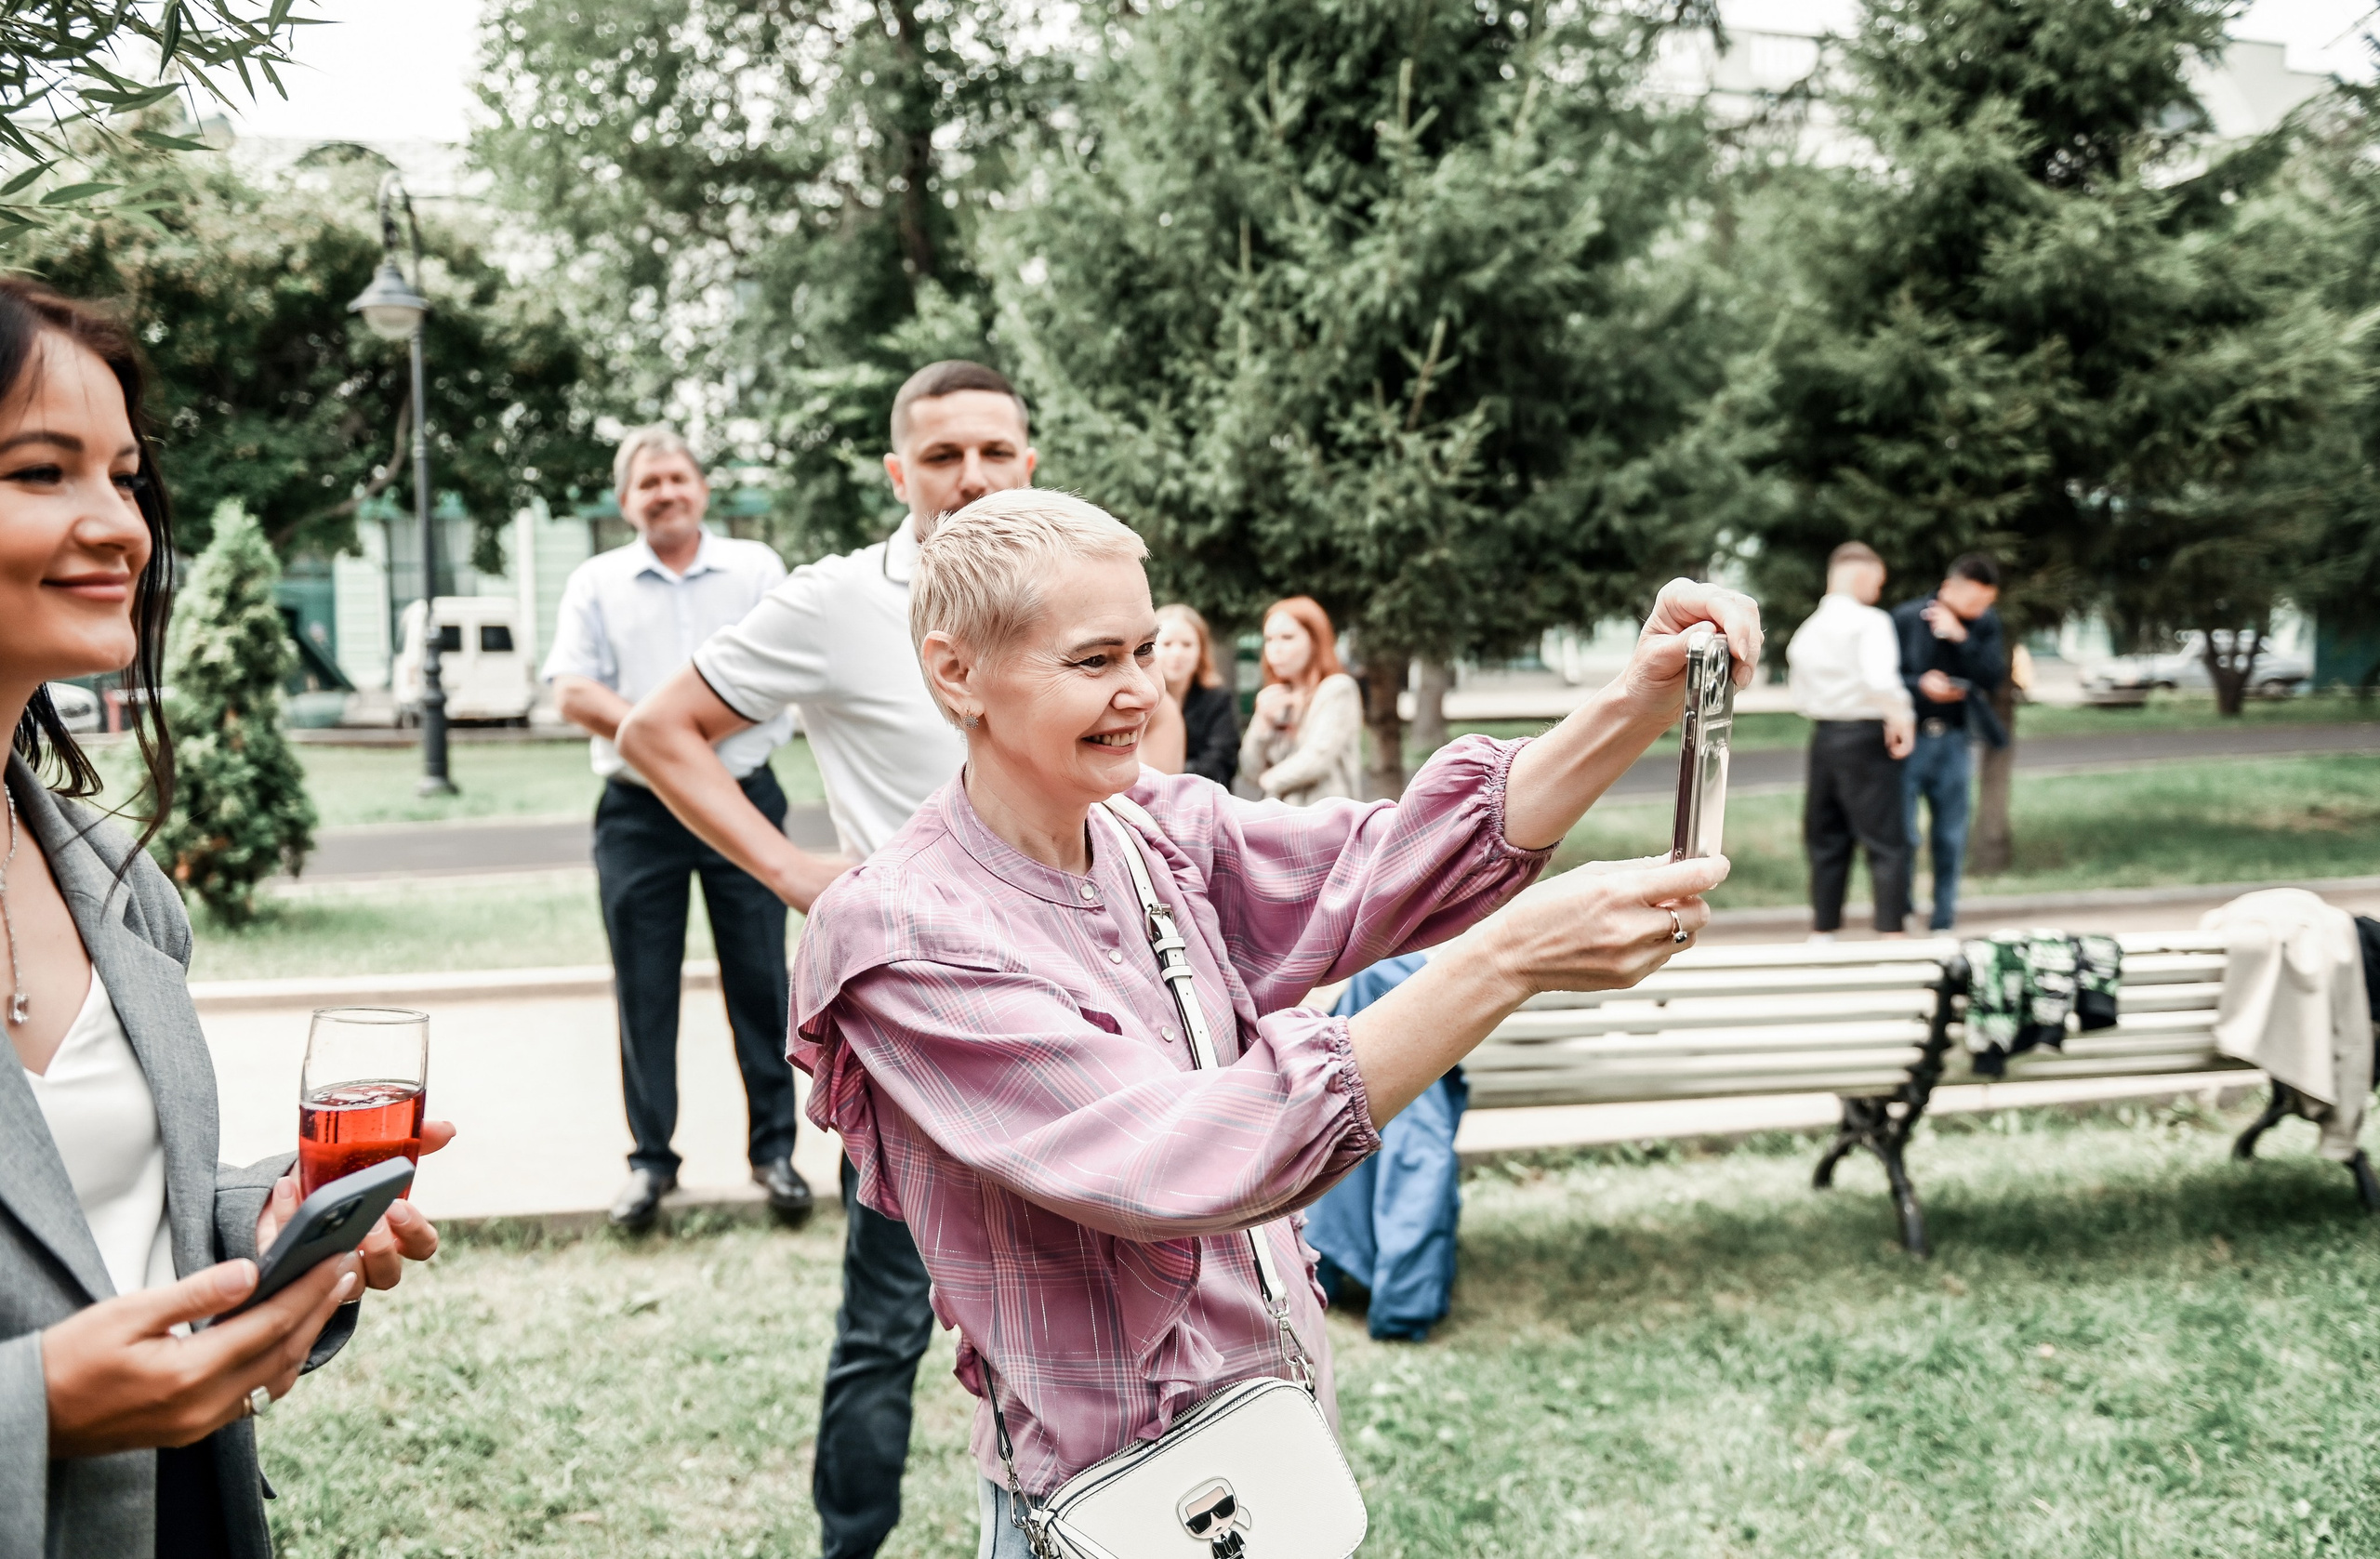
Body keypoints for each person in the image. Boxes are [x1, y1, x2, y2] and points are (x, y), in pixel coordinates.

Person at [789, 489, 1752, 1548]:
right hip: (1117, 1504)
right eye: (1093, 660)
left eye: (1148, 650)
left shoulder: (1148, 829)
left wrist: (1637, 697)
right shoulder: (901, 935)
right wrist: (1509, 958)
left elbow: (1388, 866)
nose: (1141, 691)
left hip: (1270, 1453)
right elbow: (1184, 1160)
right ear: (955, 671)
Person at [0, 276, 445, 1558]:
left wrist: (260, 1223)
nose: (119, 526)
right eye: (43, 471)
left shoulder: (116, 879)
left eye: (126, 475)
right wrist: (35, 1410)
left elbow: (104, 1214)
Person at [613, 360, 1032, 1559]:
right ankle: (851, 1545)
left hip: (1090, 1013)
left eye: (994, 453)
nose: (970, 478)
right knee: (889, 1315)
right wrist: (800, 876)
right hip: (924, 1025)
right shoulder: (841, 601)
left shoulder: (1075, 580)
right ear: (901, 473)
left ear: (1027, 463)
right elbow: (659, 732)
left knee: (1079, 1319)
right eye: (942, 456)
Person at [542, 426, 812, 1233]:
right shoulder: (596, 581)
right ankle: (651, 1160)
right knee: (644, 986)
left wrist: (688, 739)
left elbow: (786, 673)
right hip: (637, 812)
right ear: (627, 501)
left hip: (743, 798)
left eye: (676, 477)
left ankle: (775, 1152)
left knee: (762, 980)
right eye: (647, 482)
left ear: (701, 489)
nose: (664, 492)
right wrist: (667, 740)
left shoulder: (758, 570)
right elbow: (572, 691)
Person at [1788, 542, 1918, 940]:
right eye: (1877, 582)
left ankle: (1824, 931)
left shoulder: (1807, 630)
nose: (1878, 592)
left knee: (1826, 837)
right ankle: (1890, 932)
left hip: (1824, 736)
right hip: (1865, 735)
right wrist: (1902, 716)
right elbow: (1880, 679)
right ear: (1862, 576)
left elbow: (1800, 691)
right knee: (1886, 839)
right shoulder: (1870, 621)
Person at [1892, 553, 2007, 932]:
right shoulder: (1907, 618)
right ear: (1948, 588)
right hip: (1910, 736)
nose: (1979, 610)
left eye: (1985, 603)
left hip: (1955, 739)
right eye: (1973, 602)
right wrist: (1920, 685)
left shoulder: (1984, 625)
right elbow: (1885, 677)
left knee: (1950, 833)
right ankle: (1901, 910)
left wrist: (1963, 637)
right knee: (1905, 832)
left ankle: (1943, 918)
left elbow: (1992, 677)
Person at [1238, 595, 1361, 804]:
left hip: (1328, 821)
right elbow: (1250, 771)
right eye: (1269, 639)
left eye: (1287, 637)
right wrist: (1262, 723)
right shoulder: (1277, 695)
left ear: (1314, 641)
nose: (1275, 648)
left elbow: (1317, 758)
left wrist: (1269, 781)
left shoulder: (1337, 688)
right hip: (1282, 824)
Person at [1148, 602, 1238, 786]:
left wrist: (1173, 774)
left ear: (1201, 650)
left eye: (1187, 644)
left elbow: (1222, 762)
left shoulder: (1218, 699)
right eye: (1167, 644)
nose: (1177, 653)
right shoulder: (1141, 698)